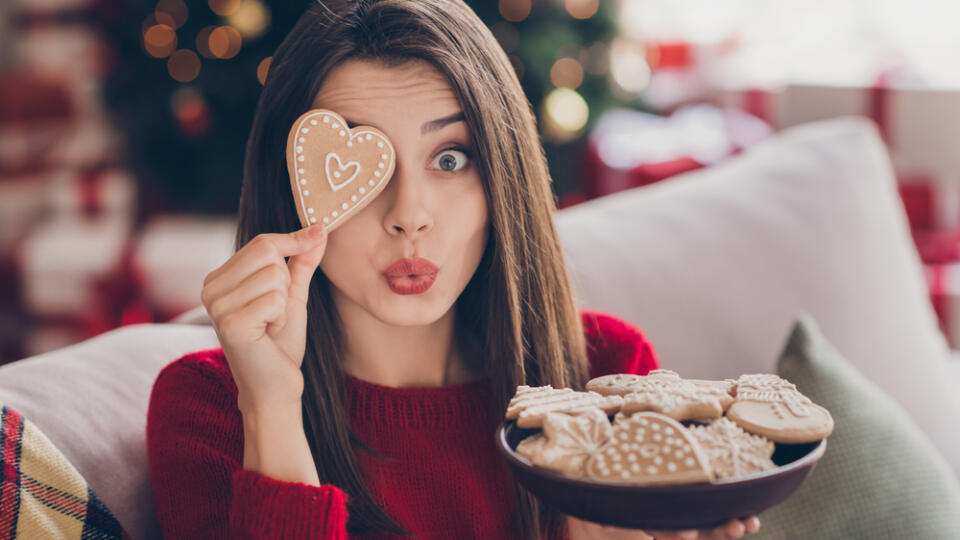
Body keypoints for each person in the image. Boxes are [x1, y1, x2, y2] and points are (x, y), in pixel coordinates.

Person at [146, 1, 762, 539]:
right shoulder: (211, 410)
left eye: (449, 158)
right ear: (293, 187)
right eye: (363, 167)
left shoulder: (606, 372)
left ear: (502, 177)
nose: (408, 216)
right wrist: (273, 406)